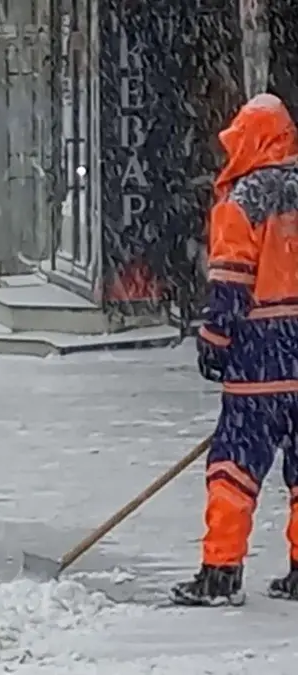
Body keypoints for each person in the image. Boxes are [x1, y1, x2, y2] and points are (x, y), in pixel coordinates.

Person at [169, 93, 298, 607]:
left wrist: (214, 340)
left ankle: (221, 573)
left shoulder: (243, 201)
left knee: (234, 467)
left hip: (259, 362)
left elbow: (230, 280)